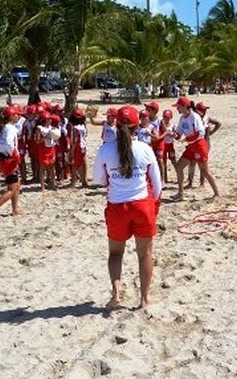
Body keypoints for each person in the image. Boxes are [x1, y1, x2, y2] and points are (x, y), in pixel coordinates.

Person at [92, 106, 162, 310]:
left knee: (115, 254)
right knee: (145, 254)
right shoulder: (144, 148)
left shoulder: (105, 149)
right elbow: (157, 185)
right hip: (141, 205)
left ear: (116, 123)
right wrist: (153, 206)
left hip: (116, 206)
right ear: (136, 125)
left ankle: (116, 294)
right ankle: (144, 299)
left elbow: (98, 179)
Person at [172, 97, 219, 200]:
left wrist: (186, 139)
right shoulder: (182, 118)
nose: (177, 109)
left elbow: (200, 133)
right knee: (179, 167)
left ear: (184, 106)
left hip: (199, 145)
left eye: (178, 106)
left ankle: (217, 194)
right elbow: (179, 133)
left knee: (205, 171)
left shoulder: (195, 116)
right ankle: (180, 193)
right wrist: (174, 134)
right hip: (190, 146)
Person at [0, 105, 23, 219]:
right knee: (12, 188)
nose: (19, 116)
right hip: (9, 159)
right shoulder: (10, 128)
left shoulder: (0, 128)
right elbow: (8, 143)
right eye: (17, 114)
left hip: (3, 159)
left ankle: (15, 209)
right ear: (12, 116)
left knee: (16, 185)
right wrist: (13, 155)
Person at [68, 108, 89, 188]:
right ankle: (84, 181)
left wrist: (71, 152)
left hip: (78, 147)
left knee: (74, 164)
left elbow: (75, 141)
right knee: (83, 163)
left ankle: (73, 182)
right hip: (84, 146)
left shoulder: (75, 128)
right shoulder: (83, 126)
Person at [160, 109, 177, 183]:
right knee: (163, 162)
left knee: (173, 160)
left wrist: (173, 134)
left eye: (168, 117)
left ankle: (179, 175)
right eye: (165, 117)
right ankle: (164, 178)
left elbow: (175, 135)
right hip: (163, 144)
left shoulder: (172, 125)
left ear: (171, 117)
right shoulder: (161, 125)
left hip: (170, 145)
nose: (166, 119)